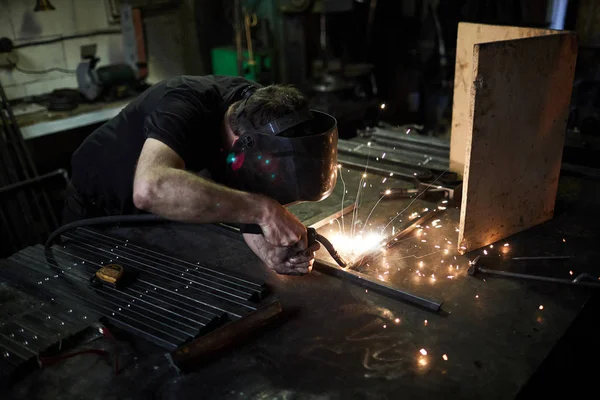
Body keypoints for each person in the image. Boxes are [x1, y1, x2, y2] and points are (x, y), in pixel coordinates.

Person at [64, 75, 323, 276]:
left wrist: (268, 252)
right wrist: (265, 212)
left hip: (156, 217)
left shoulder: (261, 109)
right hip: (99, 208)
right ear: (241, 142)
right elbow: (150, 189)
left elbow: (247, 192)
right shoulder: (182, 105)